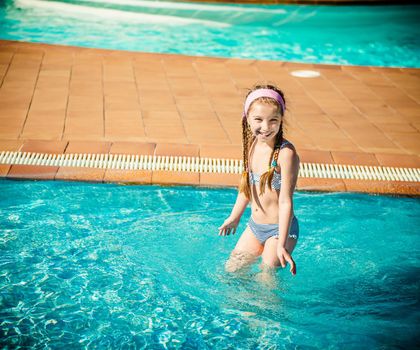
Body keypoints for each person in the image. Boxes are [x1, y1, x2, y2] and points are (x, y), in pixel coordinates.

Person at [218, 84, 300, 279]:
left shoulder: (285, 154)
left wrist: (281, 244)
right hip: (255, 226)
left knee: (267, 274)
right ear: (247, 120)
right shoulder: (253, 145)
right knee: (232, 270)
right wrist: (235, 217)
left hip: (280, 230)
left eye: (273, 120)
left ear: (281, 120)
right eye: (258, 120)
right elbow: (246, 187)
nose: (265, 127)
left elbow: (285, 201)